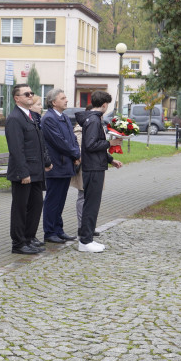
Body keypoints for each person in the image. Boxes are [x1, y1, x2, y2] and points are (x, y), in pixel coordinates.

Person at [5, 84, 52, 255]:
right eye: (26, 94)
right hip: (23, 172)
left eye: (31, 93)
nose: (30, 95)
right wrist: (23, 172)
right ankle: (18, 243)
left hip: (36, 170)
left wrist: (46, 161)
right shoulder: (15, 118)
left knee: (36, 205)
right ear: (17, 98)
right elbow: (16, 149)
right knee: (20, 208)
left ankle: (29, 237)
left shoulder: (32, 115)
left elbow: (39, 141)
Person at [75, 90, 123, 253]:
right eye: (107, 106)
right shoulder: (94, 121)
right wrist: (111, 143)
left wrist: (110, 160)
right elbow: (90, 145)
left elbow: (94, 145)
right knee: (91, 205)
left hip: (94, 166)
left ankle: (87, 239)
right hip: (93, 168)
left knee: (91, 204)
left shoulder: (90, 119)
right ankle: (86, 241)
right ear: (104, 105)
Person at [40, 88, 80, 244]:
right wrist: (75, 154)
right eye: (63, 98)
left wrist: (76, 152)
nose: (66, 100)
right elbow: (59, 142)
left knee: (61, 200)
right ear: (53, 102)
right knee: (52, 200)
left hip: (66, 165)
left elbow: (72, 138)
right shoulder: (49, 119)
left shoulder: (63, 117)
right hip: (56, 166)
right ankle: (49, 232)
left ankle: (58, 229)